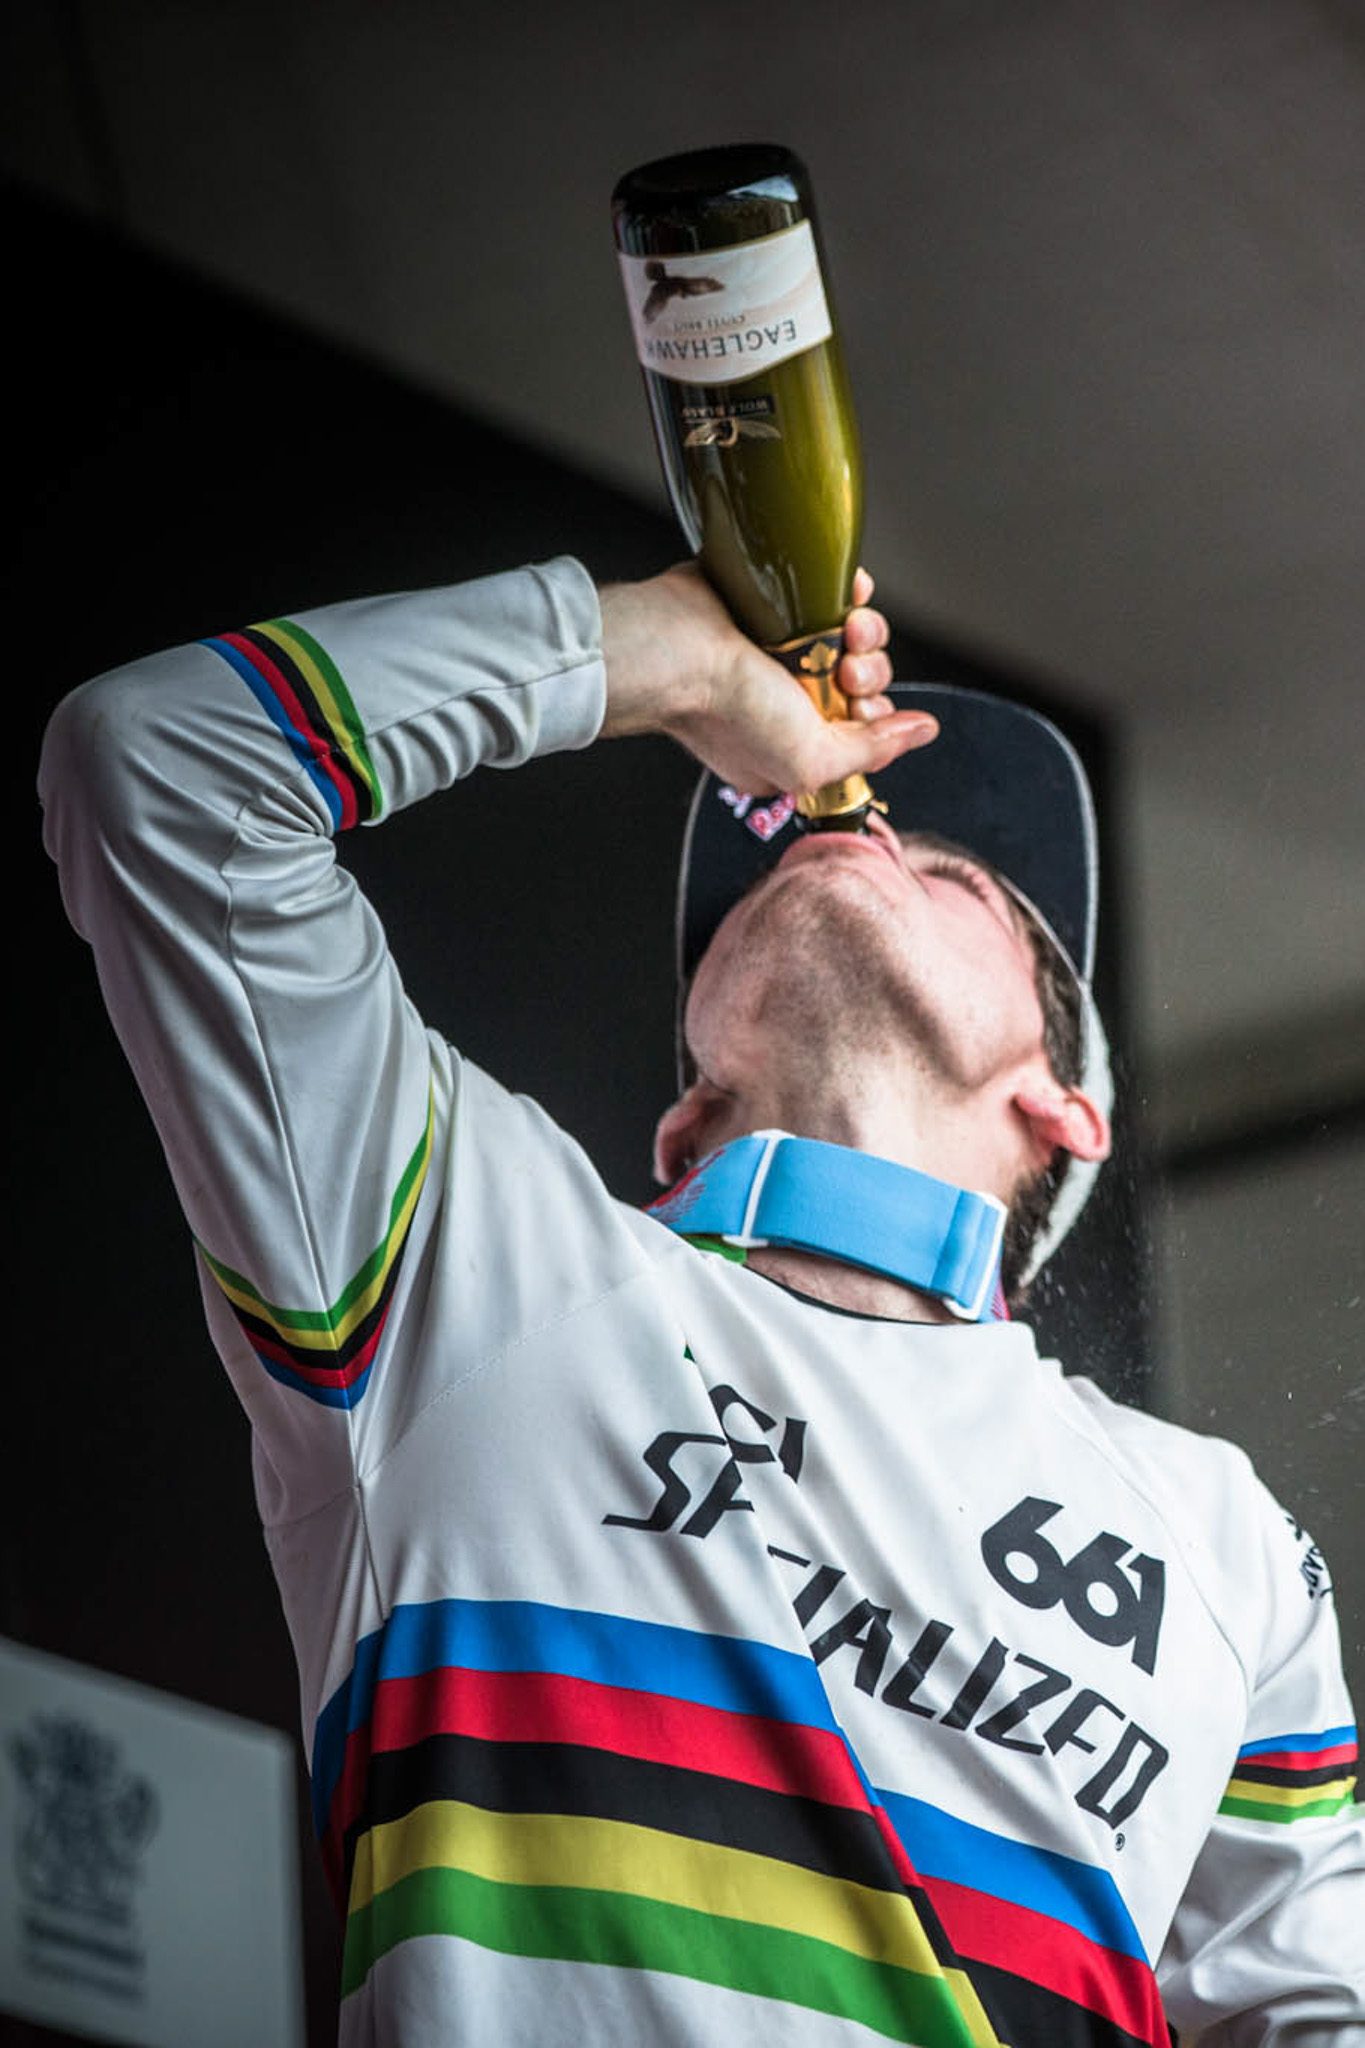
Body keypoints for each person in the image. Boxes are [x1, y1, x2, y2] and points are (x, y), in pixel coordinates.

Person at [38, 552, 1361, 2047]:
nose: (852, 826)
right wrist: (655, 657)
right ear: (686, 1122)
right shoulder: (471, 1261)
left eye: (949, 874)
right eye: (781, 862)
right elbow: (153, 767)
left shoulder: (1222, 1540)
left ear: (1064, 1109)